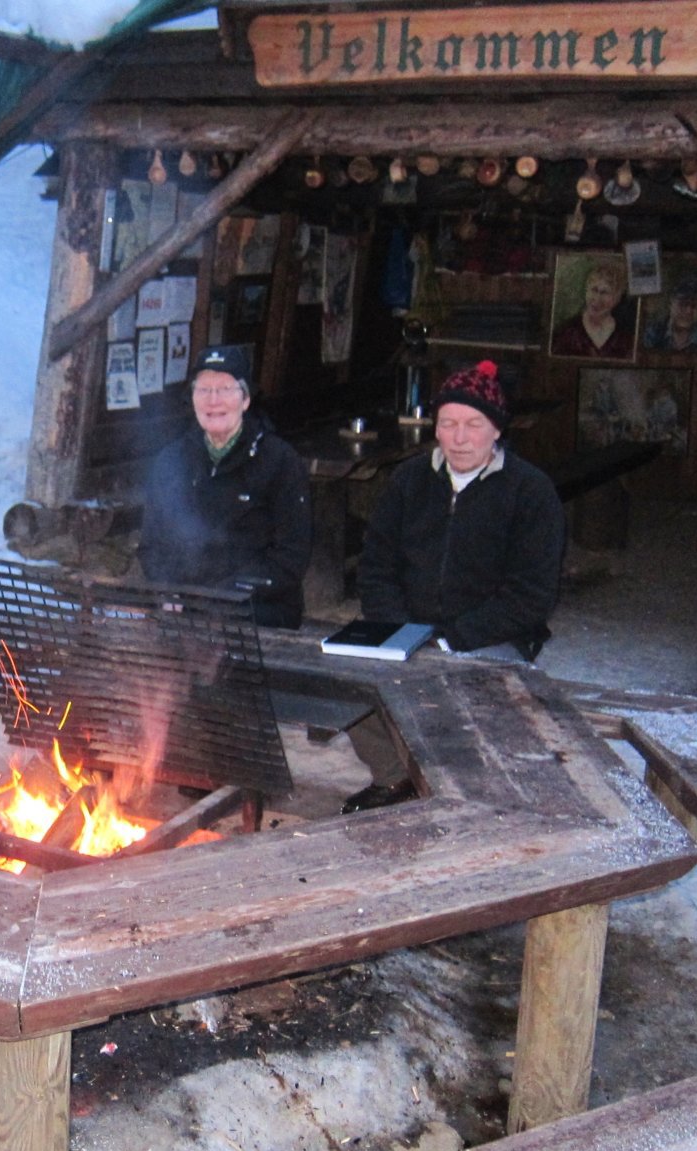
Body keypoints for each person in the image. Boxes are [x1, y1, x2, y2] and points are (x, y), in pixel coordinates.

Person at [344, 361, 565, 811]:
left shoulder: (530, 492)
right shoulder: (408, 480)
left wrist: (451, 640)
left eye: (473, 425)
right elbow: (376, 567)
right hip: (408, 627)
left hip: (489, 634)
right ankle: (394, 777)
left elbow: (532, 595)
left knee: (469, 692)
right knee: (349, 678)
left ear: (496, 430)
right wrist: (402, 631)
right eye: (448, 424)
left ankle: (469, 791)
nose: (459, 437)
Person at [138, 345, 312, 628]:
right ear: (192, 399)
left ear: (245, 400)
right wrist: (167, 588)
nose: (213, 400)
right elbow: (151, 545)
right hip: (187, 607)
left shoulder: (280, 461)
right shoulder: (171, 460)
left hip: (257, 610)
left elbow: (290, 558)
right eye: (204, 390)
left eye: (225, 389)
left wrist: (227, 596)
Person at [551, 261, 635, 359]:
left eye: (604, 292)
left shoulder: (626, 338)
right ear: (586, 291)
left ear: (617, 298)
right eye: (594, 290)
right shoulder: (565, 333)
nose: (597, 298)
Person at [641, 276, 697, 351]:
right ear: (670, 303)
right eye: (683, 304)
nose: (688, 311)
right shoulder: (652, 334)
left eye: (694, 306)